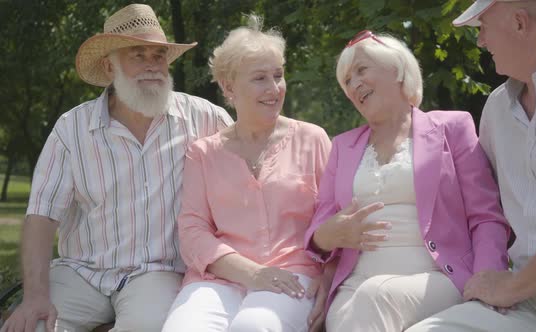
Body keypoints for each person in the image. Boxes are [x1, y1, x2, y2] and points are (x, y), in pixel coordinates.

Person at [0, 4, 233, 332]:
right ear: (110, 67)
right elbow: (41, 216)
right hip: (81, 272)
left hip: (158, 273)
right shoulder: (72, 129)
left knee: (150, 327)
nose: (152, 65)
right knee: (33, 325)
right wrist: (35, 296)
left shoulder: (205, 118)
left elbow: (252, 173)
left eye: (158, 55)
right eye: (138, 55)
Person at [304, 30, 511, 332]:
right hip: (355, 286)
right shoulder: (342, 146)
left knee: (376, 298)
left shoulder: (452, 127)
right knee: (357, 309)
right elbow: (320, 226)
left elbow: (486, 216)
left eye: (361, 70)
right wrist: (328, 234)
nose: (354, 85)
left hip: (439, 278)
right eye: (347, 81)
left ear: (398, 69)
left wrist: (487, 278)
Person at [407, 0, 536, 331]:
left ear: (520, 23)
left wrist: (510, 287)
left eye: (483, 28)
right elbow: (482, 211)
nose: (480, 42)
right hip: (522, 302)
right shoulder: (496, 108)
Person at [161, 15, 331, 332]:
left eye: (278, 76)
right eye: (260, 78)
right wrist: (251, 273)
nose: (274, 88)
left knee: (253, 326)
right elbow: (193, 230)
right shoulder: (203, 153)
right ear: (229, 87)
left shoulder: (313, 140)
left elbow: (335, 216)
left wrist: (330, 277)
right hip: (219, 278)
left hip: (293, 276)